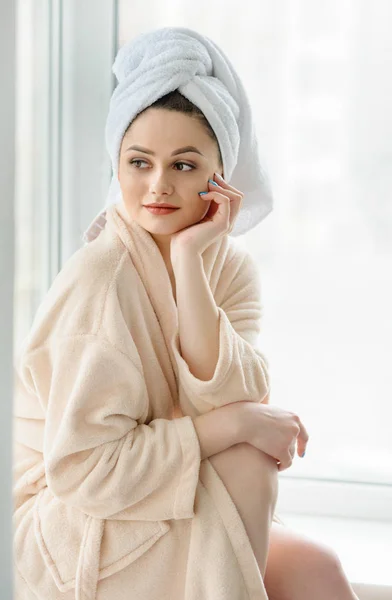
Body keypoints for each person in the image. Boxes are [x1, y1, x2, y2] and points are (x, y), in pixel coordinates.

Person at [13, 26, 360, 600]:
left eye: (183, 165)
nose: (156, 186)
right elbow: (82, 473)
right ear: (117, 164)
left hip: (156, 497)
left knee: (317, 572)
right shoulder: (99, 279)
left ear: (220, 176)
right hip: (68, 528)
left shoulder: (227, 269)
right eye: (138, 161)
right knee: (248, 457)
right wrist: (228, 427)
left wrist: (191, 261)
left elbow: (232, 395)